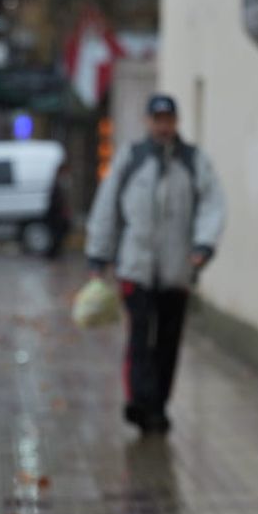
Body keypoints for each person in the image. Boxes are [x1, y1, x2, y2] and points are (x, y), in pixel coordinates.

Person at [85, 94, 225, 434]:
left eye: (169, 120)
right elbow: (107, 207)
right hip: (136, 268)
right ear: (148, 122)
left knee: (167, 341)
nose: (163, 126)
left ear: (175, 122)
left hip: (177, 271)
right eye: (157, 119)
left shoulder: (193, 162)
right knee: (139, 338)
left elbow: (212, 204)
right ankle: (138, 400)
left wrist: (203, 246)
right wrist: (99, 254)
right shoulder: (131, 159)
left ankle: (158, 406)